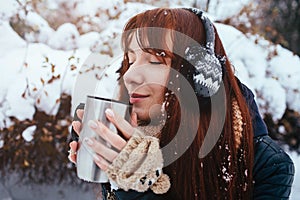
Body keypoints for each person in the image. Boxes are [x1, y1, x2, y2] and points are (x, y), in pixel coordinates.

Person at [68, 8, 294, 200]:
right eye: (130, 60)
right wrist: (115, 174)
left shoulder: (267, 166)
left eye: (156, 59)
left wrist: (139, 184)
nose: (129, 76)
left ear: (198, 78)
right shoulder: (137, 140)